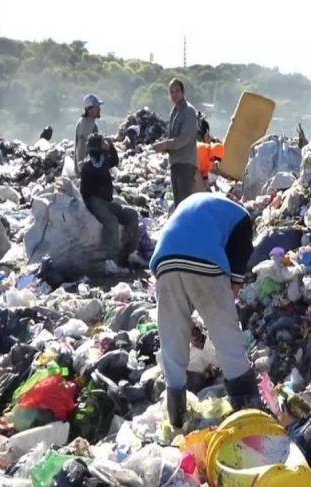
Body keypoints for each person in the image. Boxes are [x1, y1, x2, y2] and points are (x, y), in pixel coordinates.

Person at [149, 192, 260, 428]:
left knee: (172, 337)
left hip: (164, 263)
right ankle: (248, 408)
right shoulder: (242, 217)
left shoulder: (201, 209)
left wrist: (192, 323)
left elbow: (179, 295)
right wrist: (221, 310)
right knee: (226, 336)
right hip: (204, 262)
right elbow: (235, 277)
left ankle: (177, 415)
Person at [80, 133, 140, 272]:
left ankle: (128, 253)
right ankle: (110, 261)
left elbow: (115, 161)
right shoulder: (88, 166)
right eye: (101, 144)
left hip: (107, 201)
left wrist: (111, 148)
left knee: (131, 215)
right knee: (111, 221)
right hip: (94, 201)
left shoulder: (103, 160)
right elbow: (100, 171)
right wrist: (106, 150)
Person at [153, 78, 200, 209]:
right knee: (178, 202)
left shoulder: (189, 111)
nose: (174, 95)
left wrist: (165, 145)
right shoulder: (174, 111)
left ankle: (187, 229)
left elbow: (184, 139)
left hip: (186, 163)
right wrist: (162, 146)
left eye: (177, 91)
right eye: (171, 92)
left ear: (183, 92)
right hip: (175, 163)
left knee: (184, 205)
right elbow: (172, 136)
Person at [74, 94, 103, 164]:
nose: (99, 109)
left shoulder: (90, 123)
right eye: (97, 107)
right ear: (89, 109)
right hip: (87, 168)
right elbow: (81, 149)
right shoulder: (85, 125)